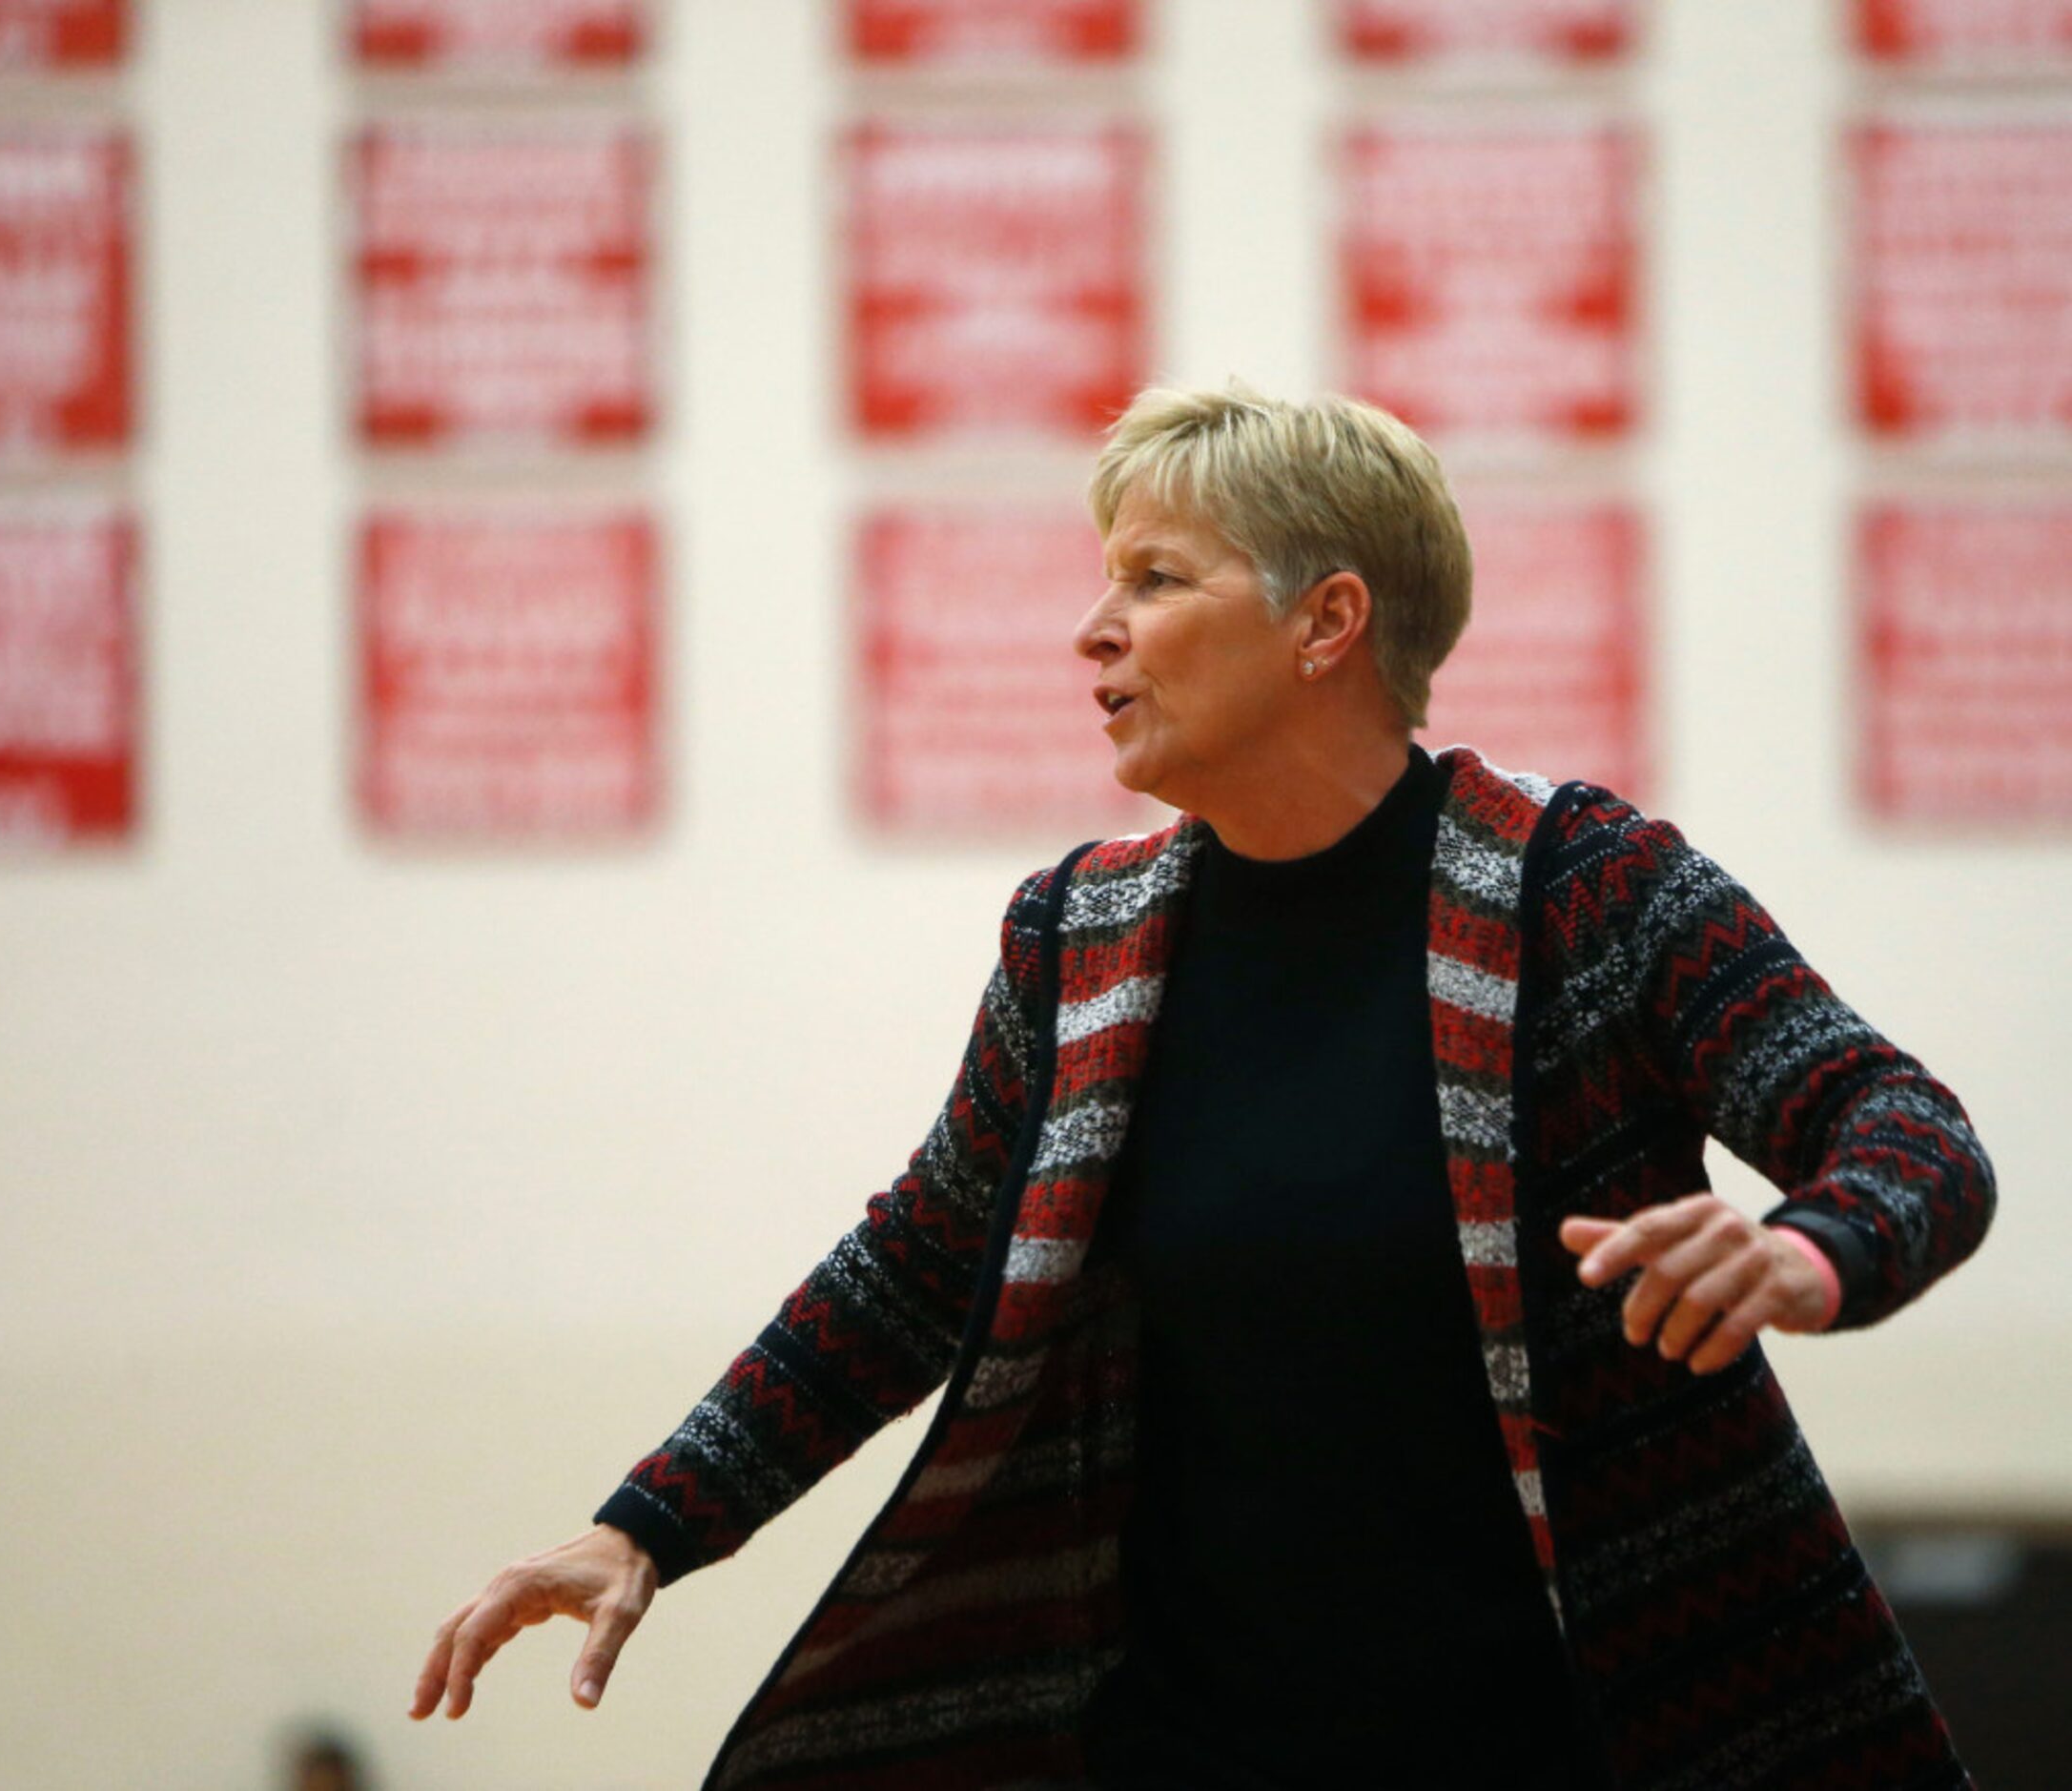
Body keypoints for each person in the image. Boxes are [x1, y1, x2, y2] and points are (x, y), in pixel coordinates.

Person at [410, 384, 1995, 1789]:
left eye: (1154, 580)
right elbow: (916, 1266)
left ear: (1327, 623)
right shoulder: (1077, 939)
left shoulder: (1585, 887)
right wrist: (650, 1522)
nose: (1092, 629)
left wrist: (1804, 1251)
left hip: (1565, 1736)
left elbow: (1907, 1130)